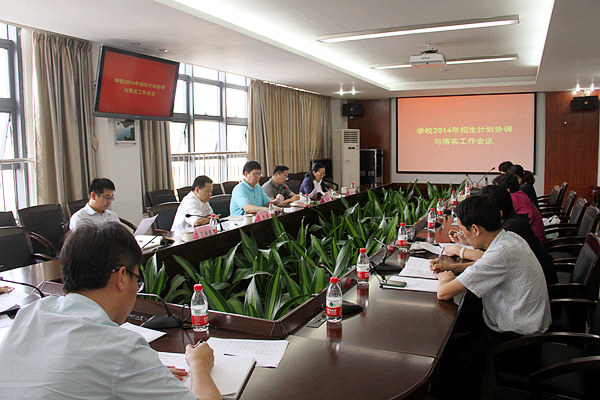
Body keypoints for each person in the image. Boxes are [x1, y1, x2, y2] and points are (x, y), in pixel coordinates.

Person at [0, 222, 220, 400]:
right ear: (122, 277)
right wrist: (199, 365)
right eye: (137, 279)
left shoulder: (31, 313)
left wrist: (142, 373)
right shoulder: (120, 348)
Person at [432, 195, 551, 399]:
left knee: (451, 355)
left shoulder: (501, 253)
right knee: (459, 329)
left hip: (519, 345)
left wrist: (446, 276)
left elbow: (444, 293)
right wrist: (454, 267)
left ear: (476, 229)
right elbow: (485, 263)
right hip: (524, 327)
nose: (462, 234)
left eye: (463, 229)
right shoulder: (508, 238)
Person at [439, 185, 557, 284]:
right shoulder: (512, 222)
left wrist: (458, 251)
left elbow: (488, 259)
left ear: (498, 213)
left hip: (546, 286)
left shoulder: (512, 229)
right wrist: (466, 240)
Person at [493, 173, 545, 242]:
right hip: (534, 238)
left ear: (507, 190)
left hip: (531, 242)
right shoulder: (520, 194)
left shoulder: (513, 199)